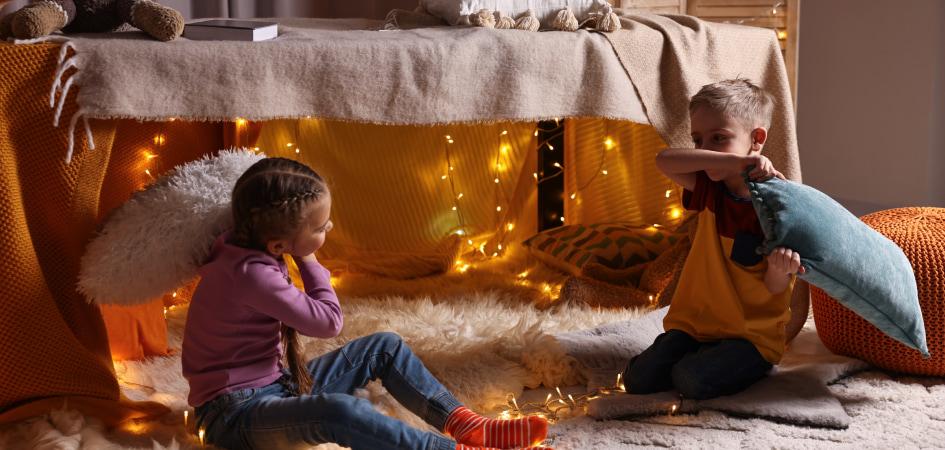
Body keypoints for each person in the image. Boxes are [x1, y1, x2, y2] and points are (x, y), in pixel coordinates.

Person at [182, 157, 552, 450]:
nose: (328, 230)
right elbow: (329, 322)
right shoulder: (251, 275)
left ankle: (465, 424)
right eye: (320, 227)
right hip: (235, 415)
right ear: (279, 244)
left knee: (385, 346)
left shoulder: (245, 241)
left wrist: (300, 247)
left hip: (278, 384)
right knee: (339, 412)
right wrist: (310, 262)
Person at [624, 79, 808, 400]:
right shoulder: (712, 185)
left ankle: (742, 364)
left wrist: (781, 269)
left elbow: (776, 289)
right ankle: (693, 355)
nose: (705, 149)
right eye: (699, 140)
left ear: (757, 139)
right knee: (637, 380)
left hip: (750, 336)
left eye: (719, 138)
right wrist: (731, 160)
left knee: (691, 380)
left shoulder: (776, 207)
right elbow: (663, 160)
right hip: (697, 327)